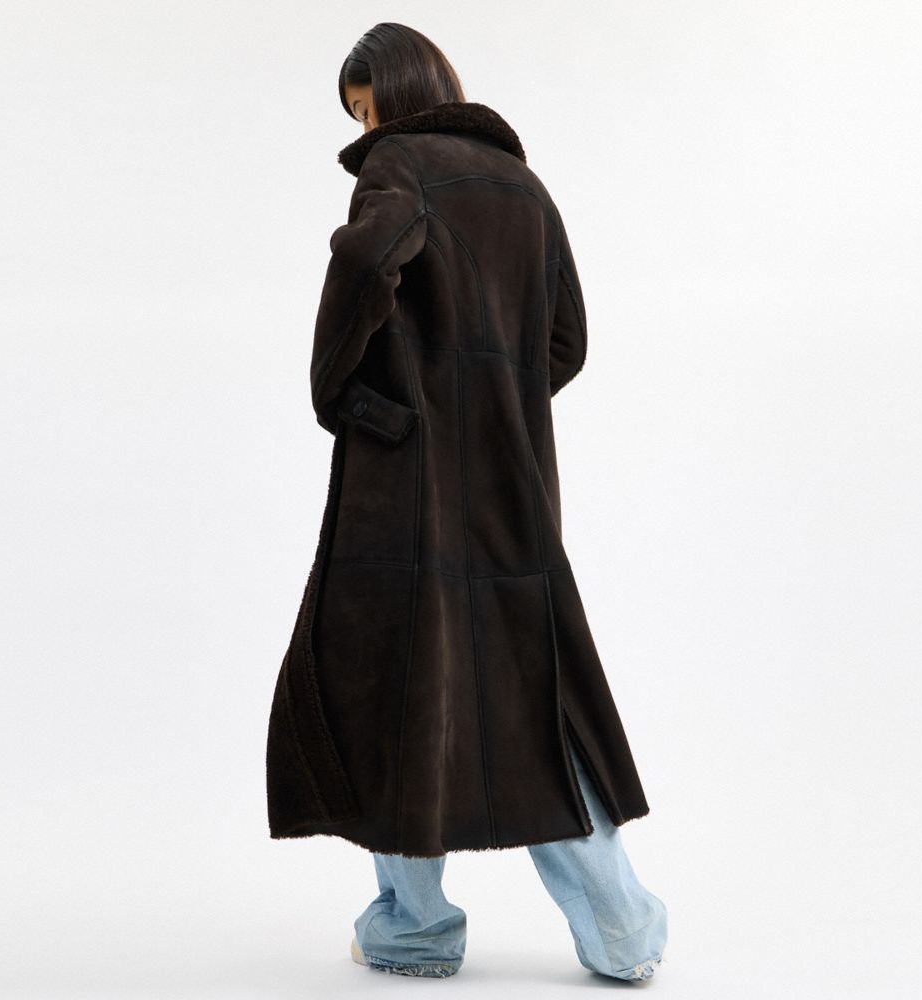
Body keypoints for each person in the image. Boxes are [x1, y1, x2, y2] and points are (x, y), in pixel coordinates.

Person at [265, 21, 668, 981]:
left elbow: (366, 263)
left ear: (400, 95)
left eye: (367, 108)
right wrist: (494, 404)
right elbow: (566, 340)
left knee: (400, 689)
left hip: (403, 486)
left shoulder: (396, 165)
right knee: (536, 698)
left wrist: (341, 395)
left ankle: (414, 930)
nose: (364, 128)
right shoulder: (526, 187)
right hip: (511, 482)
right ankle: (622, 932)